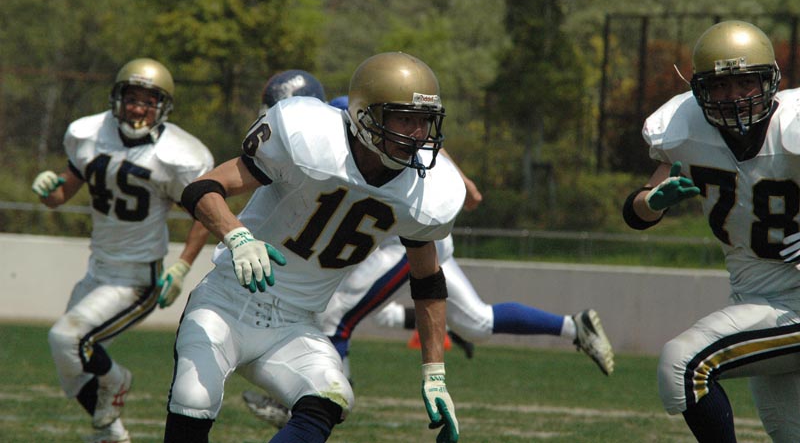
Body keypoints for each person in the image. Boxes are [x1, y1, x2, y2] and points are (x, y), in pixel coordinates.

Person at [243, 95, 615, 429]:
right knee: (478, 324)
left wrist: (462, 181)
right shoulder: (338, 118)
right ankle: (573, 326)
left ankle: (312, 405)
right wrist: (465, 182)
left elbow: (413, 141)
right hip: (413, 239)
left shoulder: (345, 112)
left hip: (407, 241)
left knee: (336, 318)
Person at [164, 51, 466, 443]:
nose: (418, 133)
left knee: (331, 395)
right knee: (194, 398)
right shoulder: (309, 137)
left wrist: (435, 373)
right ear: (366, 115)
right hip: (226, 303)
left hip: (295, 323)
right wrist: (238, 237)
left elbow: (428, 281)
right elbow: (203, 188)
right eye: (405, 119)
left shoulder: (427, 189)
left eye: (424, 120)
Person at [622, 19, 800, 442]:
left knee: (683, 364)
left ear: (768, 81)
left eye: (745, 82)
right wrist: (653, 202)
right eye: (720, 85)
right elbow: (637, 210)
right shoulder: (686, 129)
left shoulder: (793, 125)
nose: (733, 96)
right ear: (700, 89)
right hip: (755, 301)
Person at [32, 58, 214, 443]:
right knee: (70, 368)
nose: (138, 109)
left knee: (67, 339)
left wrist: (182, 266)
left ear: (162, 107)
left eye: (148, 102)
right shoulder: (88, 133)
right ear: (117, 98)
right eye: (132, 99)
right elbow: (62, 195)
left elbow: (206, 213)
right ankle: (111, 434)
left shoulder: (178, 154)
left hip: (135, 280)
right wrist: (49, 189)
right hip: (97, 270)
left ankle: (117, 380)